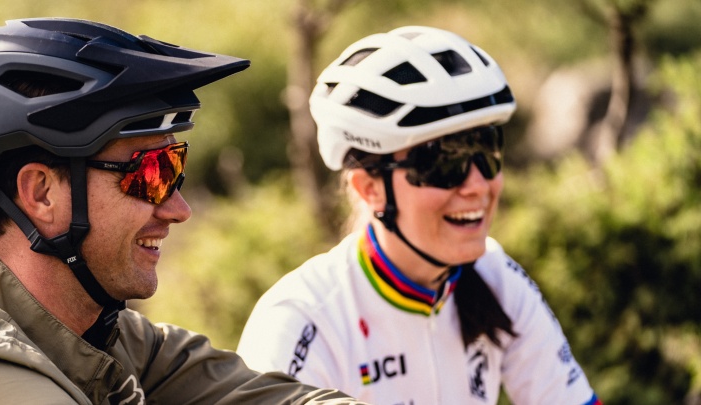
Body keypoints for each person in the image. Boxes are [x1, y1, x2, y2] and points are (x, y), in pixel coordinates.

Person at [0, 18, 368, 404]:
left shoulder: (112, 337)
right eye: (149, 173)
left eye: (173, 168)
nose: (179, 210)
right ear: (41, 193)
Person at [237, 26, 602, 404]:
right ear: (369, 189)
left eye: (487, 152)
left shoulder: (496, 277)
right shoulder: (301, 322)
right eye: (442, 164)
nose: (478, 184)